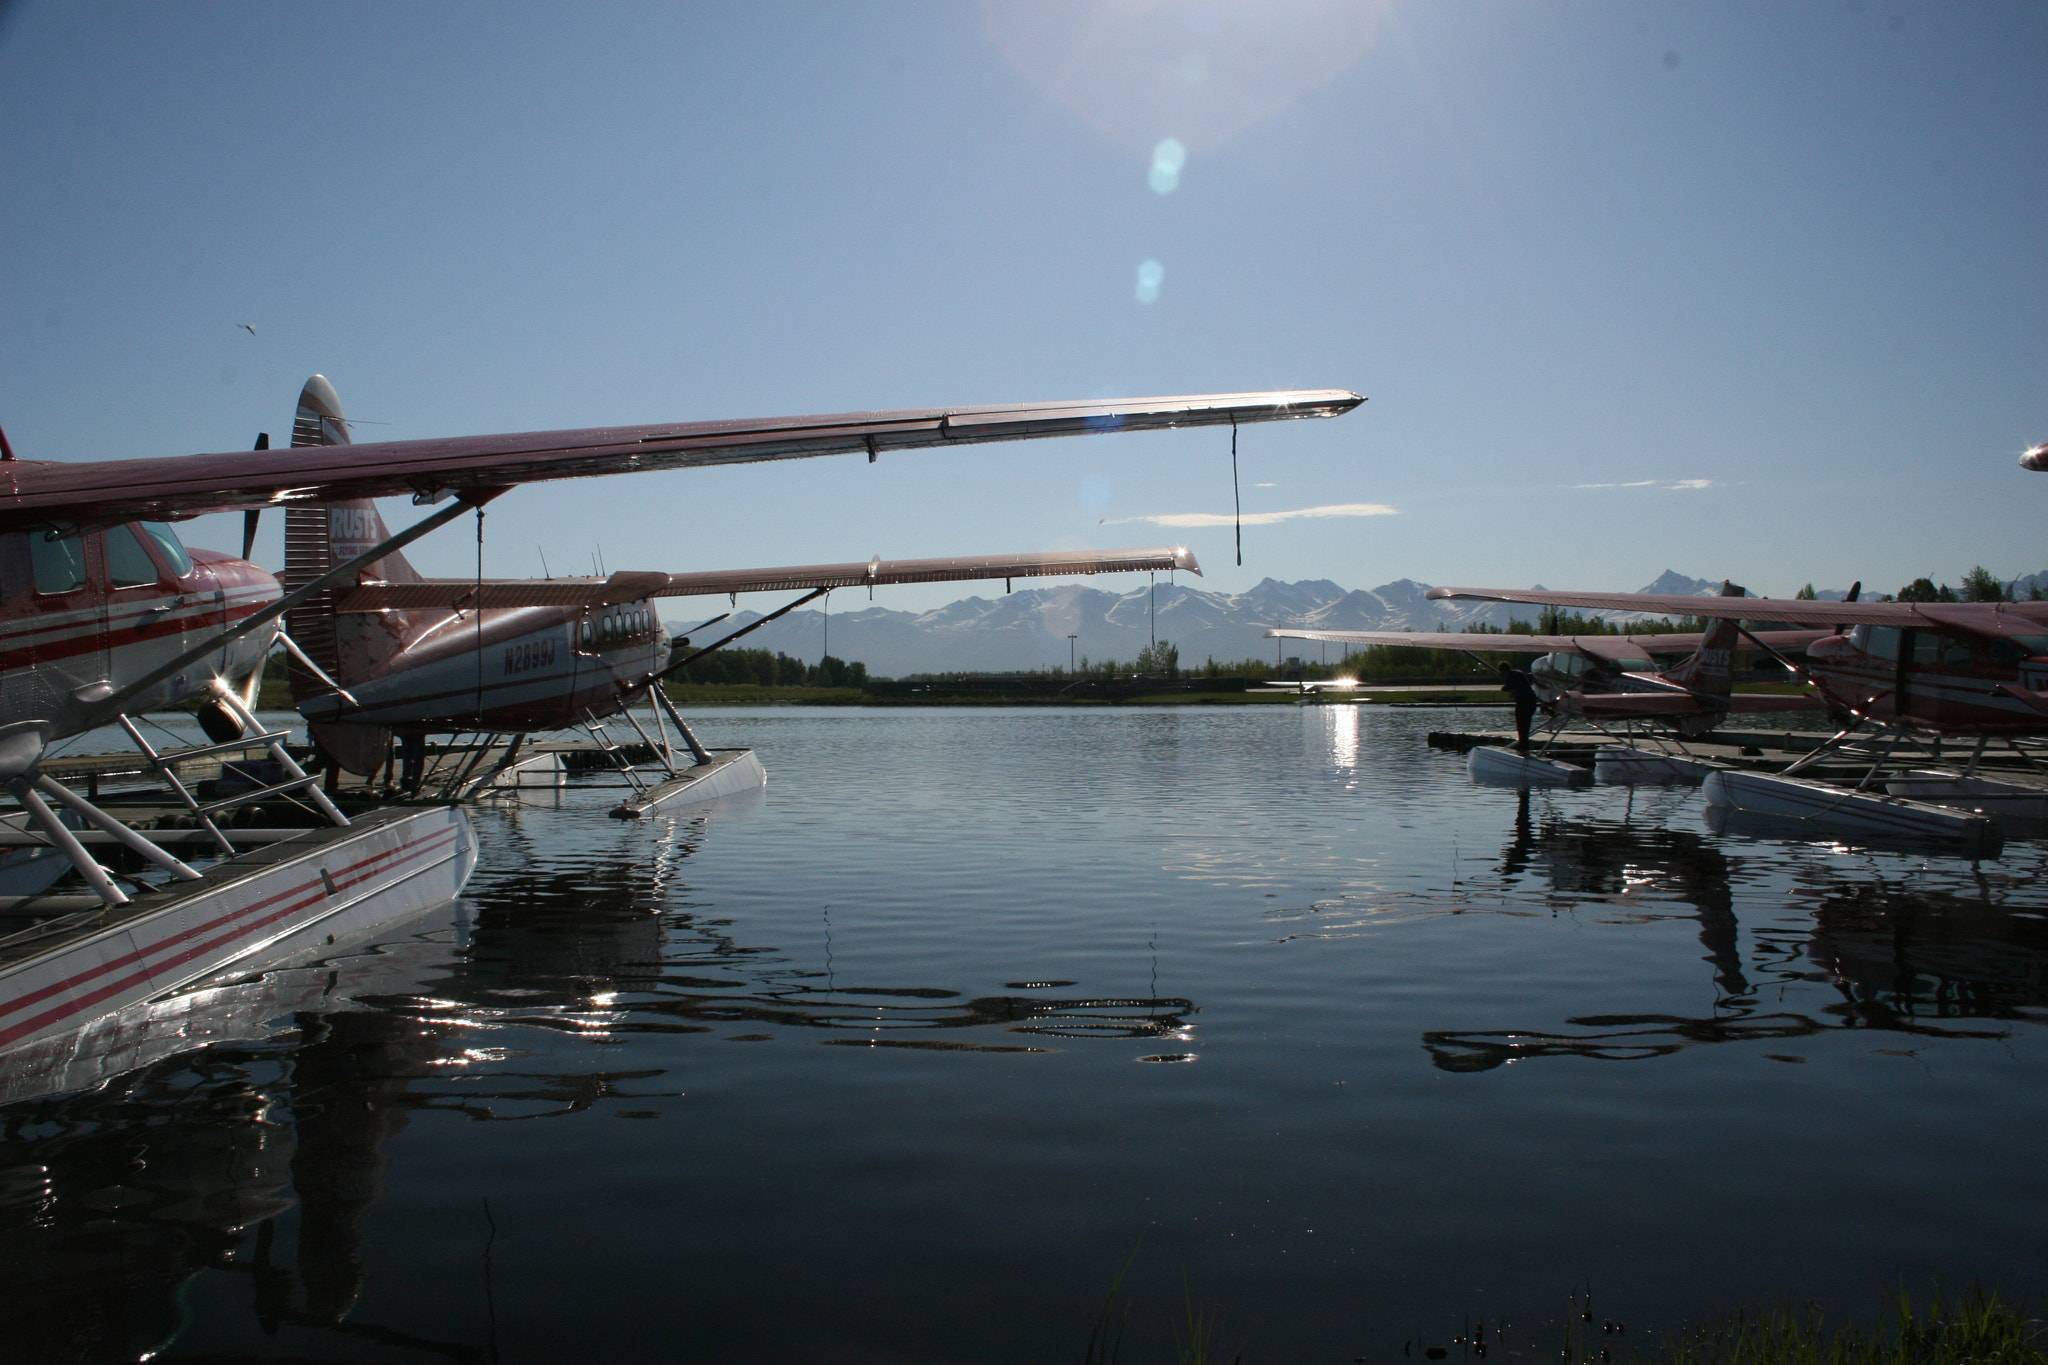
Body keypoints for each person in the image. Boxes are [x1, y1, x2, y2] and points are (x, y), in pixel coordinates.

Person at [1498, 662, 1541, 752]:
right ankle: (1524, 745)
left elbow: (1513, 691)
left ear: (1503, 671)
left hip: (1523, 702)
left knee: (1521, 725)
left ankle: (1523, 746)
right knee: (1526, 724)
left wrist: (1507, 689)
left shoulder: (1511, 677)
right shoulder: (1518, 673)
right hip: (1532, 702)